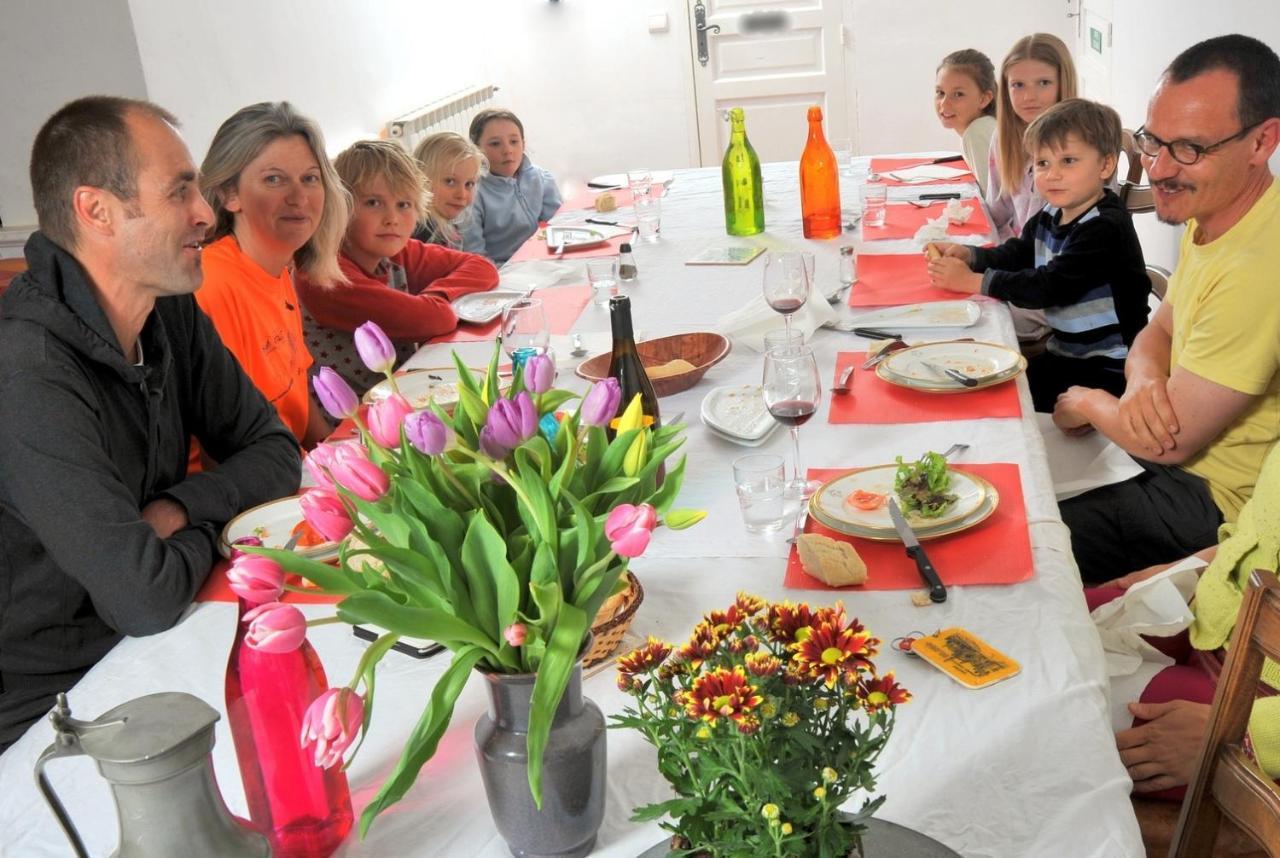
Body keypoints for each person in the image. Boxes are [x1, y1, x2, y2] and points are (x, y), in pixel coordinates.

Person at [0, 97, 300, 750]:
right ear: (97, 211)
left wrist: (174, 510)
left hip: (162, 639)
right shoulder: (27, 368)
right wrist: (218, 528)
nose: (205, 212)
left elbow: (276, 451)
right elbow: (142, 596)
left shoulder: (168, 309)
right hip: (52, 714)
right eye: (179, 191)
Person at [1053, 34, 1280, 584]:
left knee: (1021, 543)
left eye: (1190, 149)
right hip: (1157, 465)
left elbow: (1167, 441)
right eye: (1153, 140)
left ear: (1261, 142)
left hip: (1208, 503)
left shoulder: (1258, 265)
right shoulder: (1217, 215)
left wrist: (1086, 399)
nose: (1156, 169)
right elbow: (1158, 330)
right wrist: (1146, 377)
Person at [1087, 438, 1280, 802]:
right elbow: (1260, 526)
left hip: (1259, 703)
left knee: (1050, 718)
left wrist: (1242, 733)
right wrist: (1183, 567)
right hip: (1210, 621)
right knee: (1030, 622)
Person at [927, 98, 1149, 412]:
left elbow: (1048, 286)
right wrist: (972, 256)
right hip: (1067, 354)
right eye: (1042, 163)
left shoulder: (1105, 227)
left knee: (1004, 405)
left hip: (1111, 369)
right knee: (989, 391)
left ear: (1105, 166)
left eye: (1068, 161)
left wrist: (975, 282)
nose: (1052, 174)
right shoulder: (1052, 211)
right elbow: (1018, 252)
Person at [195, 101, 350, 451]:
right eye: (274, 179)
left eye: (310, 178)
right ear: (229, 194)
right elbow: (222, 447)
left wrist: (339, 453)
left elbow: (294, 394)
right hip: (251, 491)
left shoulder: (278, 270)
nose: (298, 197)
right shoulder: (215, 285)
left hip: (291, 466)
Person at [298, 140, 499, 394]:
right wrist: (434, 304)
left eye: (403, 205)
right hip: (350, 418)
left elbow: (481, 267)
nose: (392, 219)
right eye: (373, 203)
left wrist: (437, 295)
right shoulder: (326, 275)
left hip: (398, 393)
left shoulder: (395, 252)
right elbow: (438, 318)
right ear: (341, 206)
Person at [988, 33, 1078, 240]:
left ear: (1063, 82)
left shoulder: (1085, 144)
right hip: (1019, 256)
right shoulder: (1003, 138)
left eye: (1044, 83)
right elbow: (997, 215)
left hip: (1063, 262)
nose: (1029, 96)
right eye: (1018, 85)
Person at [460, 108, 561, 265]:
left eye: (514, 142)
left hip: (546, 262)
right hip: (502, 272)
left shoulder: (541, 179)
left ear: (523, 143)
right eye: (495, 144)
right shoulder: (472, 194)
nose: (507, 150)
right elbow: (475, 256)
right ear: (476, 150)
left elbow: (560, 227)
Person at [934, 49, 997, 192]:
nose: (944, 104)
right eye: (940, 92)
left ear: (984, 99)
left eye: (958, 94)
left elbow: (990, 200)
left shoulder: (976, 133)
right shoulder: (984, 126)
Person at [411, 131, 486, 249]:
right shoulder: (425, 237)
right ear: (422, 179)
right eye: (450, 181)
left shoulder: (444, 225)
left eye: (469, 184)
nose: (461, 194)